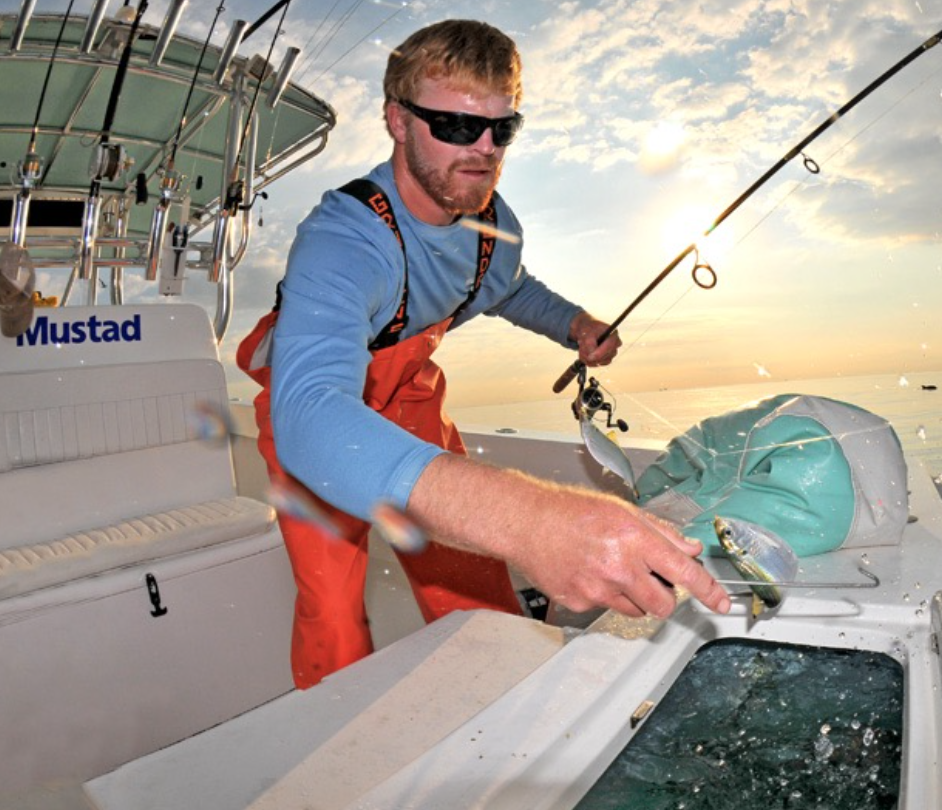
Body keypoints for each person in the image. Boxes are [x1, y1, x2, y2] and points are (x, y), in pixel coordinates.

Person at [238, 19, 730, 689]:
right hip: (318, 402)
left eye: (503, 129)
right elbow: (309, 418)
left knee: (472, 574)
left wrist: (576, 325)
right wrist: (530, 520)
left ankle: (503, 700)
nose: (485, 151)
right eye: (458, 126)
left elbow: (511, 291)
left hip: (411, 396)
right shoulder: (344, 238)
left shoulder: (495, 230)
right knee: (331, 605)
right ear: (398, 121)